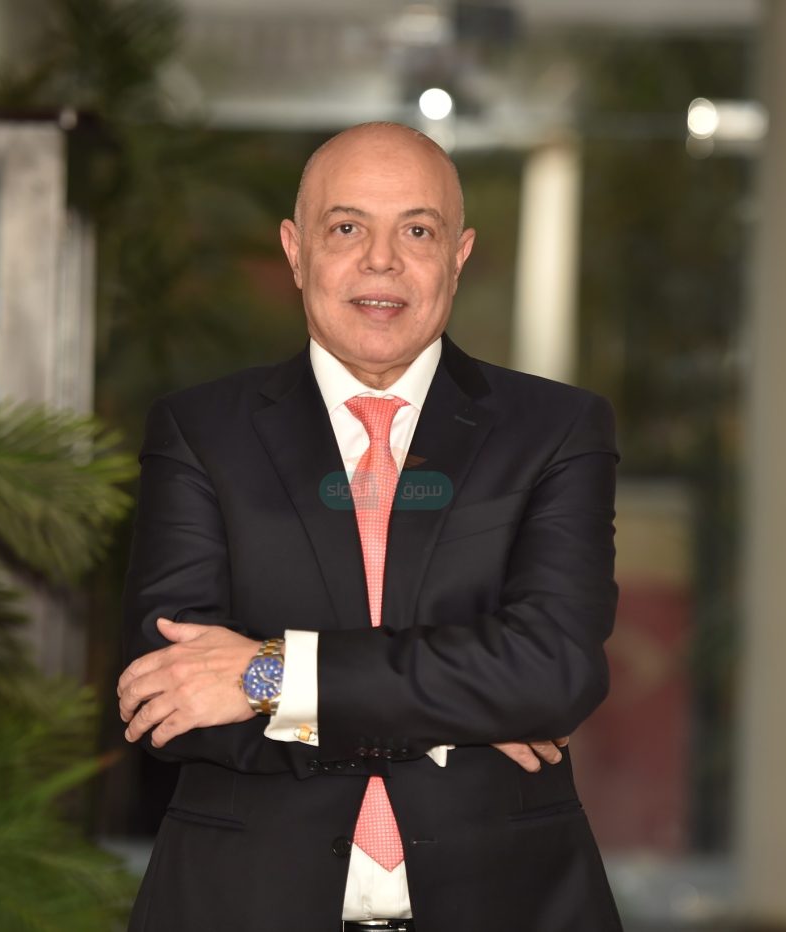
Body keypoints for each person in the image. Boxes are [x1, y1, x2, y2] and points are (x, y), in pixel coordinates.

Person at [116, 121, 624, 931]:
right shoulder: (200, 432)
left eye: (417, 231)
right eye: (347, 228)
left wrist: (271, 676)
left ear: (458, 255)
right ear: (295, 251)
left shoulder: (555, 430)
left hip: (507, 902)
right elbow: (167, 698)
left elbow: (554, 670)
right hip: (245, 906)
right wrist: (466, 713)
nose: (381, 260)